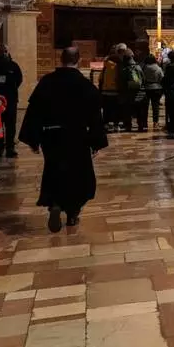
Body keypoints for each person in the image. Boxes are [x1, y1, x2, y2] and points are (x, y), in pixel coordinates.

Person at [20, 47, 108, 232]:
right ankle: (72, 213)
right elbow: (95, 115)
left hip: (51, 136)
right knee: (78, 173)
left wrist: (33, 139)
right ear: (79, 60)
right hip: (77, 137)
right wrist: (96, 141)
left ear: (60, 60)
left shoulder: (47, 82)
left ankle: (55, 203)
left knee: (54, 169)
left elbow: (34, 111)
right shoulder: (84, 85)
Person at [0, 44, 23, 158]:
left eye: (5, 51)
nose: (4, 53)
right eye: (1, 51)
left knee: (10, 125)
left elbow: (19, 79)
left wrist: (11, 90)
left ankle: (10, 148)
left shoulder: (13, 65)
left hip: (11, 100)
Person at [117, 49, 145, 132]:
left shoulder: (124, 69)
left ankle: (128, 126)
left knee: (128, 111)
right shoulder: (138, 67)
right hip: (139, 93)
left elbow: (121, 82)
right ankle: (140, 126)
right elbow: (143, 79)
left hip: (128, 94)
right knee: (139, 111)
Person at [98, 44, 123, 130]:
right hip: (115, 90)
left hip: (105, 90)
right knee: (116, 108)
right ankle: (116, 124)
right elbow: (119, 78)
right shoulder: (118, 66)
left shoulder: (106, 65)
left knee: (106, 108)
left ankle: (106, 123)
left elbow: (100, 77)